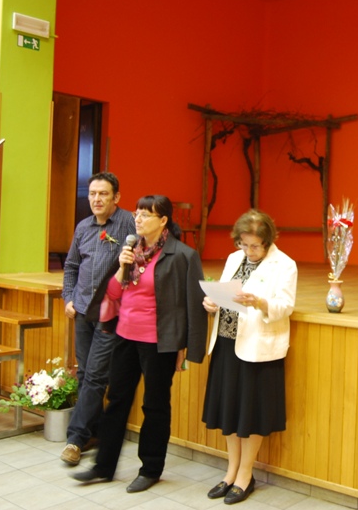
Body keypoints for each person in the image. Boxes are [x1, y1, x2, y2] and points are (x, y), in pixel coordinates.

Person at [72, 195, 208, 493]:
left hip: (159, 342)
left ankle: (150, 469)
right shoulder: (131, 250)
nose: (138, 219)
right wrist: (122, 267)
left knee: (154, 405)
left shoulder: (182, 255)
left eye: (146, 215)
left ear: (163, 220)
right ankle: (103, 466)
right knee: (116, 400)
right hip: (124, 336)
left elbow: (192, 303)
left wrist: (186, 347)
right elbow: (113, 293)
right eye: (137, 213)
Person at [201, 209, 298, 505]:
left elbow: (286, 306)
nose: (249, 250)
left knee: (251, 413)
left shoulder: (285, 265)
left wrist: (260, 302)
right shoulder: (234, 258)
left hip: (257, 347)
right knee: (229, 410)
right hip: (227, 342)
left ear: (268, 241)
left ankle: (246, 475)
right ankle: (230, 471)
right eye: (244, 244)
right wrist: (212, 302)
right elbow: (224, 294)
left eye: (255, 245)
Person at [60, 172, 136, 465]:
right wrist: (68, 297)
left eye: (103, 194)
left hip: (110, 313)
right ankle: (92, 432)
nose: (96, 199)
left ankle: (75, 439)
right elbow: (71, 266)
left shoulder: (128, 224)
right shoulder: (83, 227)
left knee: (94, 375)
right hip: (82, 310)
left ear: (116, 197)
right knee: (84, 373)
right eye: (92, 193)